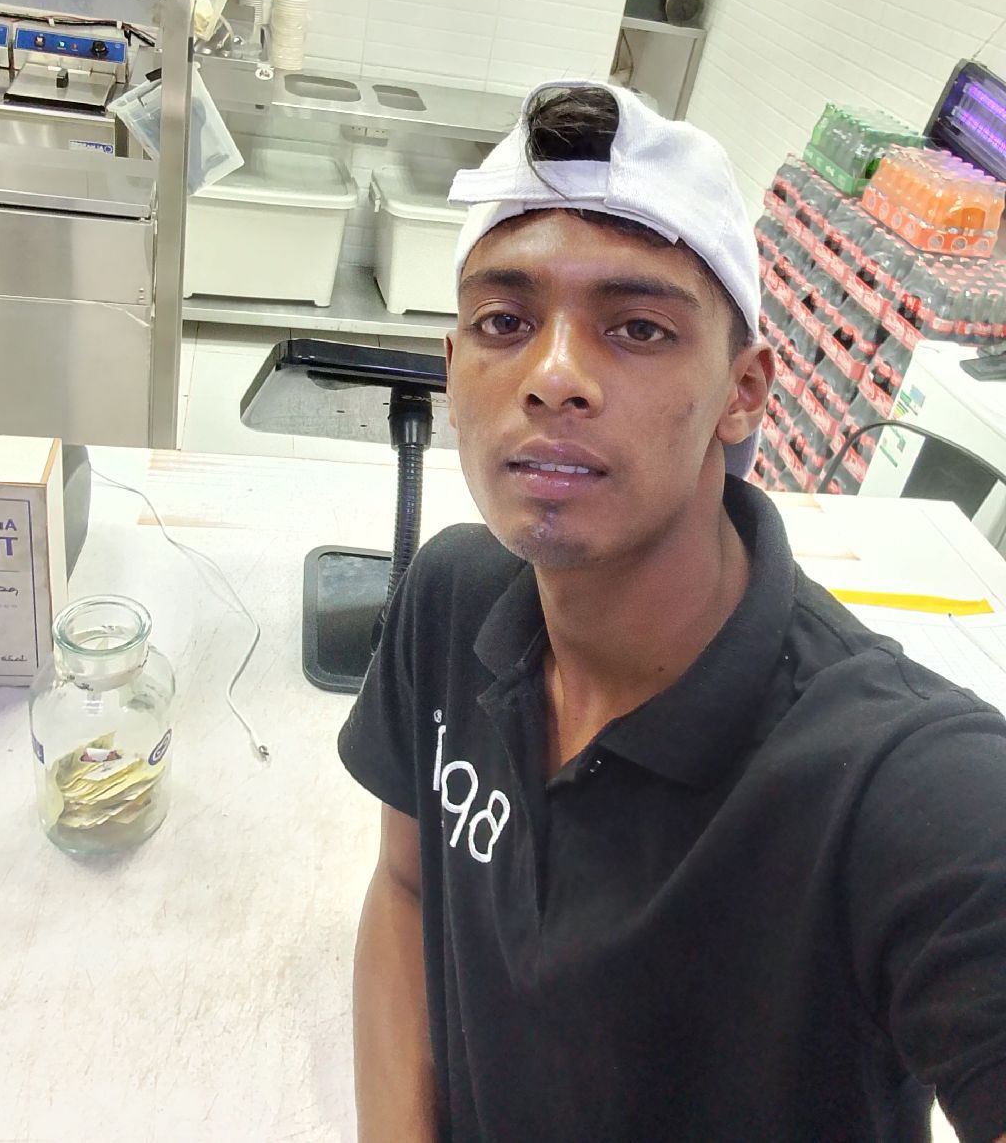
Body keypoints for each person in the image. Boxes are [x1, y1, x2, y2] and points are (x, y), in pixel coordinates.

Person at [338, 81, 1006, 1143]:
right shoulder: (449, 602)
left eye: (638, 327)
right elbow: (408, 888)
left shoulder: (900, 784)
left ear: (744, 392)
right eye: (505, 321)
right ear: (452, 370)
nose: (554, 375)